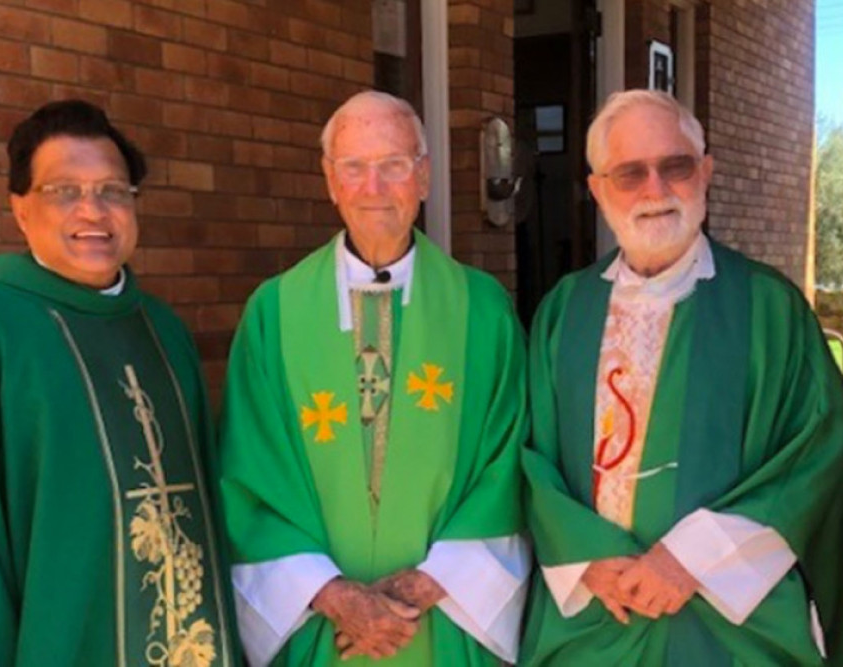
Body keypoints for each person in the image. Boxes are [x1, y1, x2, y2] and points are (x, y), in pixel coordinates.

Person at [0, 100, 238, 666]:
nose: (93, 210)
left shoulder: (162, 330)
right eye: (64, 192)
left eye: (113, 191)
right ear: (20, 210)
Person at [520, 89, 843, 666]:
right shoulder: (563, 311)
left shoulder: (769, 308)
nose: (655, 190)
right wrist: (588, 559)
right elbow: (532, 457)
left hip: (733, 621)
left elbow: (815, 454)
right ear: (597, 190)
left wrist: (693, 559)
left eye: (676, 166)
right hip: (598, 612)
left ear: (706, 173)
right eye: (629, 173)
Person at [219, 90, 531, 666]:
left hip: (442, 624)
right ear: (330, 182)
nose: (374, 187)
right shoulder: (274, 313)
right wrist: (337, 598)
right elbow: (248, 477)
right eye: (354, 168)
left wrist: (418, 590)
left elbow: (508, 466)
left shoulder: (483, 312)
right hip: (321, 627)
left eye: (394, 165)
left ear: (425, 177)